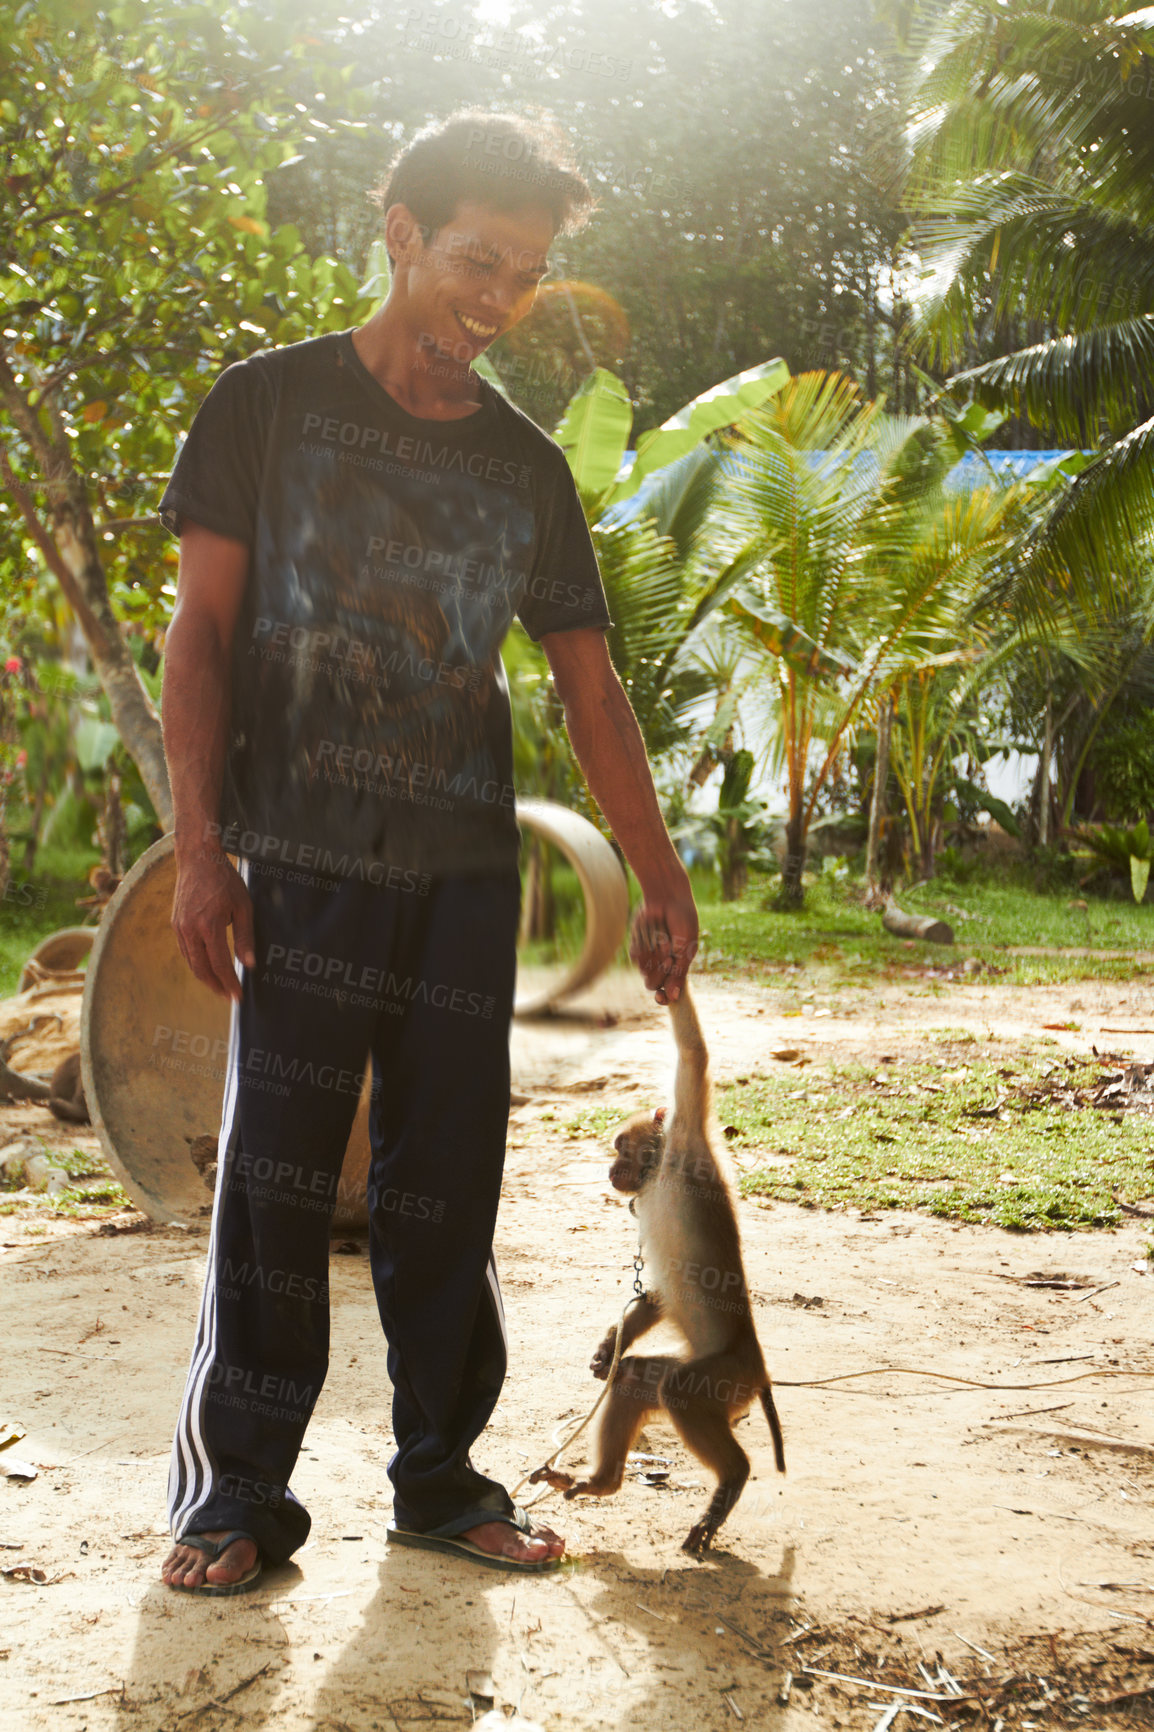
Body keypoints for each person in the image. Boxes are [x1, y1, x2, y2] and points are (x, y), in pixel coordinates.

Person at [157, 109, 698, 1593]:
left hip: (461, 876)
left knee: (446, 1182)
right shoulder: (265, 408)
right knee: (275, 1178)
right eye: (477, 259)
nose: (498, 300)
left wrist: (654, 872)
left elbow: (590, 686)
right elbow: (199, 634)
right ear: (398, 230)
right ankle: (236, 1502)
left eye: (524, 276)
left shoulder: (524, 465)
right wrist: (200, 849)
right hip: (307, 862)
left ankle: (440, 1479)